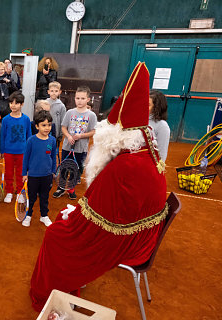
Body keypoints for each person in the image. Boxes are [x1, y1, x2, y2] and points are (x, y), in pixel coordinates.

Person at [30, 62, 168, 311]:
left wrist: (75, 216)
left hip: (126, 241)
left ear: (118, 135)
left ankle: (53, 288)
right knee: (65, 217)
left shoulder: (123, 167)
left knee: (55, 235)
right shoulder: (145, 150)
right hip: (141, 233)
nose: (101, 136)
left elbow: (96, 219)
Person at [52, 86, 97, 200]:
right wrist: (68, 136)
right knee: (64, 167)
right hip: (67, 146)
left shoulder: (91, 115)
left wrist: (81, 136)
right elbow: (64, 127)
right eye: (77, 98)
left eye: (82, 98)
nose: (79, 101)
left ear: (88, 99)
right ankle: (61, 188)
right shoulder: (70, 112)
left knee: (75, 169)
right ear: (75, 99)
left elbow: (93, 131)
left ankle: (71, 189)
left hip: (81, 149)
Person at [22, 110, 57, 227]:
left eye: (49, 125)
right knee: (31, 197)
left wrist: (53, 171)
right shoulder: (31, 140)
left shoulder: (52, 140)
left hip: (46, 175)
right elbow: (26, 158)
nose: (47, 128)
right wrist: (24, 174)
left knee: (44, 197)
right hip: (33, 175)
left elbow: (53, 156)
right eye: (43, 125)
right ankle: (28, 215)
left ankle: (44, 216)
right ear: (37, 126)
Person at [0, 91, 31, 203]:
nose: (13, 105)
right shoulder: (5, 120)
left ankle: (20, 192)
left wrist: (28, 151)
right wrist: (2, 150)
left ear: (21, 104)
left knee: (20, 173)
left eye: (16, 103)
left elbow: (29, 136)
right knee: (8, 172)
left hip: (22, 152)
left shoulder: (26, 119)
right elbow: (2, 136)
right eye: (11, 103)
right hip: (8, 152)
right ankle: (9, 192)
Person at [149, 89, 170, 162]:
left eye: (148, 105)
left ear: (156, 108)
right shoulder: (136, 120)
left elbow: (162, 153)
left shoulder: (162, 126)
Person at [46, 81, 66, 147]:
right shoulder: (44, 103)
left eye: (56, 91)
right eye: (52, 91)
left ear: (60, 92)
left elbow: (63, 121)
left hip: (55, 135)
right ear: (48, 91)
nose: (54, 93)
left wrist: (60, 135)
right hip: (44, 132)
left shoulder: (61, 106)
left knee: (53, 152)